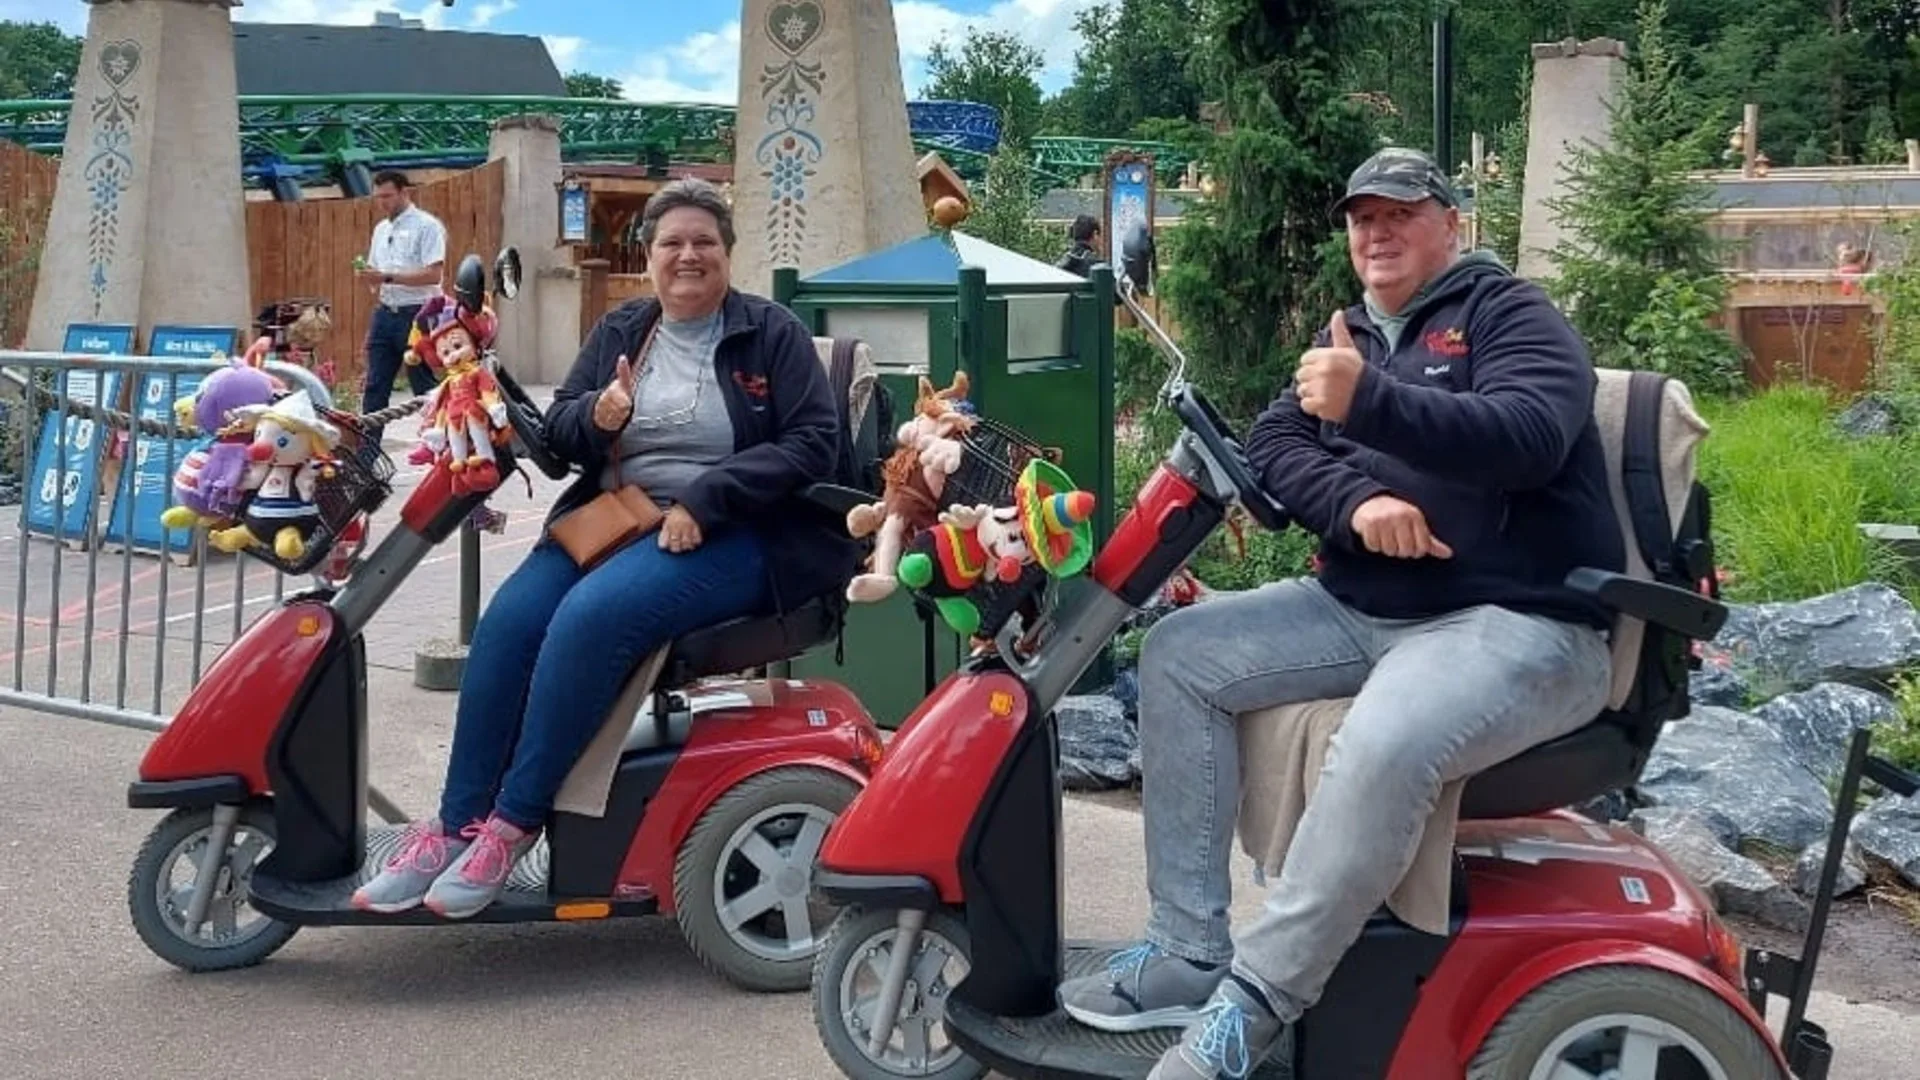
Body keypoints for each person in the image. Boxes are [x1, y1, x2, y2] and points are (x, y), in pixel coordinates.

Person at [1055, 146, 1626, 1079]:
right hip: (1364, 608)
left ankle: (1252, 1009)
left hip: (1517, 620)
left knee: (1383, 739)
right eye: (1362, 216)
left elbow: (1528, 436)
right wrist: (1358, 503)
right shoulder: (1350, 330)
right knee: (1179, 652)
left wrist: (1371, 400)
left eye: (1400, 211)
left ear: (1452, 222)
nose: (1376, 231)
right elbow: (1280, 441)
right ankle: (1188, 951)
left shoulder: (1508, 313)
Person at [351, 177, 859, 919]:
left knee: (588, 620)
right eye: (672, 244)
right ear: (648, 255)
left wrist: (707, 499)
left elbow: (815, 444)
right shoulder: (623, 331)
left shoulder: (767, 333)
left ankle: (513, 823)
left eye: (704, 243)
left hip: (740, 531)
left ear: (726, 253)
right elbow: (560, 440)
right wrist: (601, 412)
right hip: (618, 516)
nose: (688, 256)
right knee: (508, 625)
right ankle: (456, 822)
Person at [354, 169, 446, 420]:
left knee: (423, 385)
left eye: (388, 196)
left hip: (418, 312)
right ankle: (367, 456)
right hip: (386, 311)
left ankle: (440, 449)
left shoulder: (427, 226)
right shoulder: (381, 229)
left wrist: (386, 276)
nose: (383, 202)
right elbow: (377, 270)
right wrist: (369, 276)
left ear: (405, 192)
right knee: (375, 386)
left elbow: (433, 275)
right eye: (379, 197)